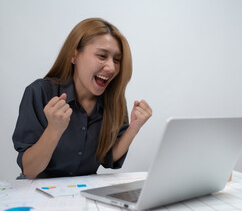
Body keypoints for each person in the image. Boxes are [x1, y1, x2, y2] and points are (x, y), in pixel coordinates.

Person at [12, 18, 152, 179]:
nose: (112, 67)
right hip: (37, 193)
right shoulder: (40, 92)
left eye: (116, 60)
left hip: (82, 193)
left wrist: (133, 128)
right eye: (102, 56)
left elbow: (108, 158)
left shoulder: (114, 101)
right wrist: (54, 130)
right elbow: (30, 170)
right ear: (74, 55)